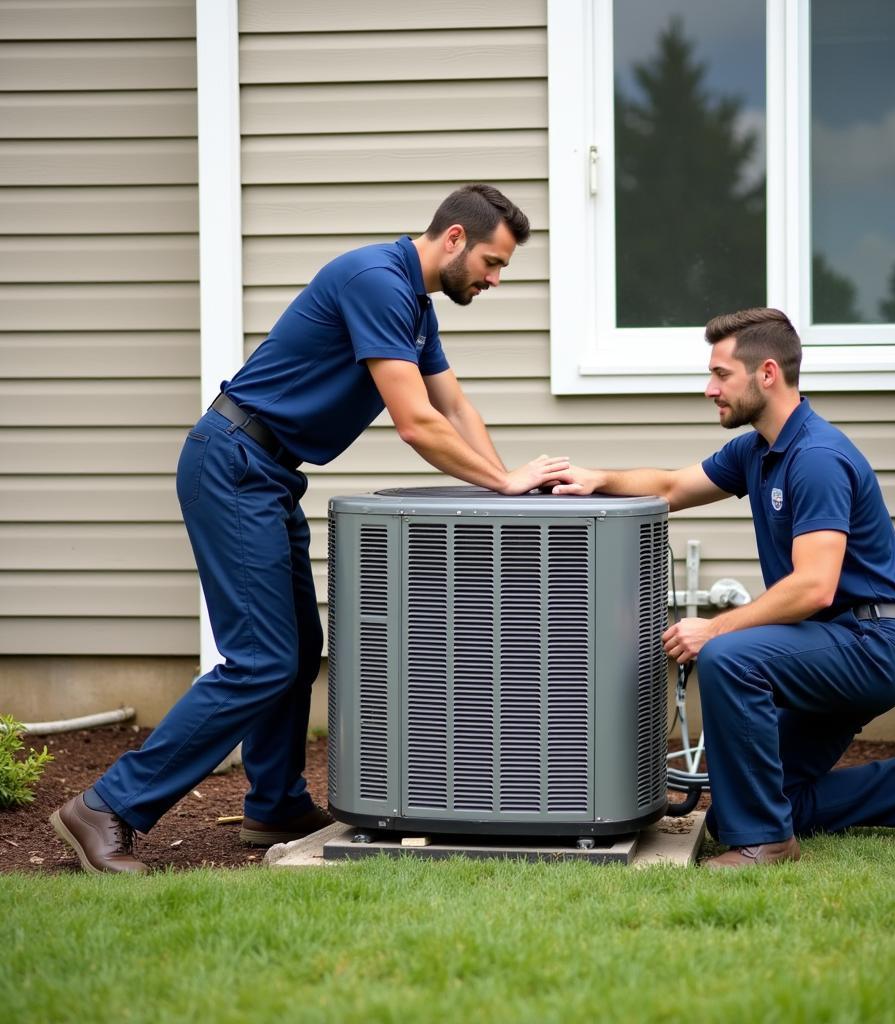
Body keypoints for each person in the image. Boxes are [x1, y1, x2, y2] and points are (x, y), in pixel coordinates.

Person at [50, 184, 570, 874]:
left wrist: (506, 488)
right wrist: (502, 482)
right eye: (494, 263)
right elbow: (416, 423)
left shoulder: (413, 306)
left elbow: (453, 403)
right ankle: (106, 807)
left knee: (297, 648)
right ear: (453, 240)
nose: (496, 280)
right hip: (233, 462)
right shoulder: (375, 281)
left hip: (265, 470)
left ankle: (276, 805)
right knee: (263, 658)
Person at [552, 307, 895, 869]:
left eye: (721, 374)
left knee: (729, 655)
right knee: (746, 805)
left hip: (868, 643)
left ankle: (768, 845)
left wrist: (715, 627)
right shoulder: (757, 449)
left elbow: (814, 586)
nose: (710, 389)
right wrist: (597, 479)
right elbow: (675, 485)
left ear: (767, 373)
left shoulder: (816, 458)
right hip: (827, 642)